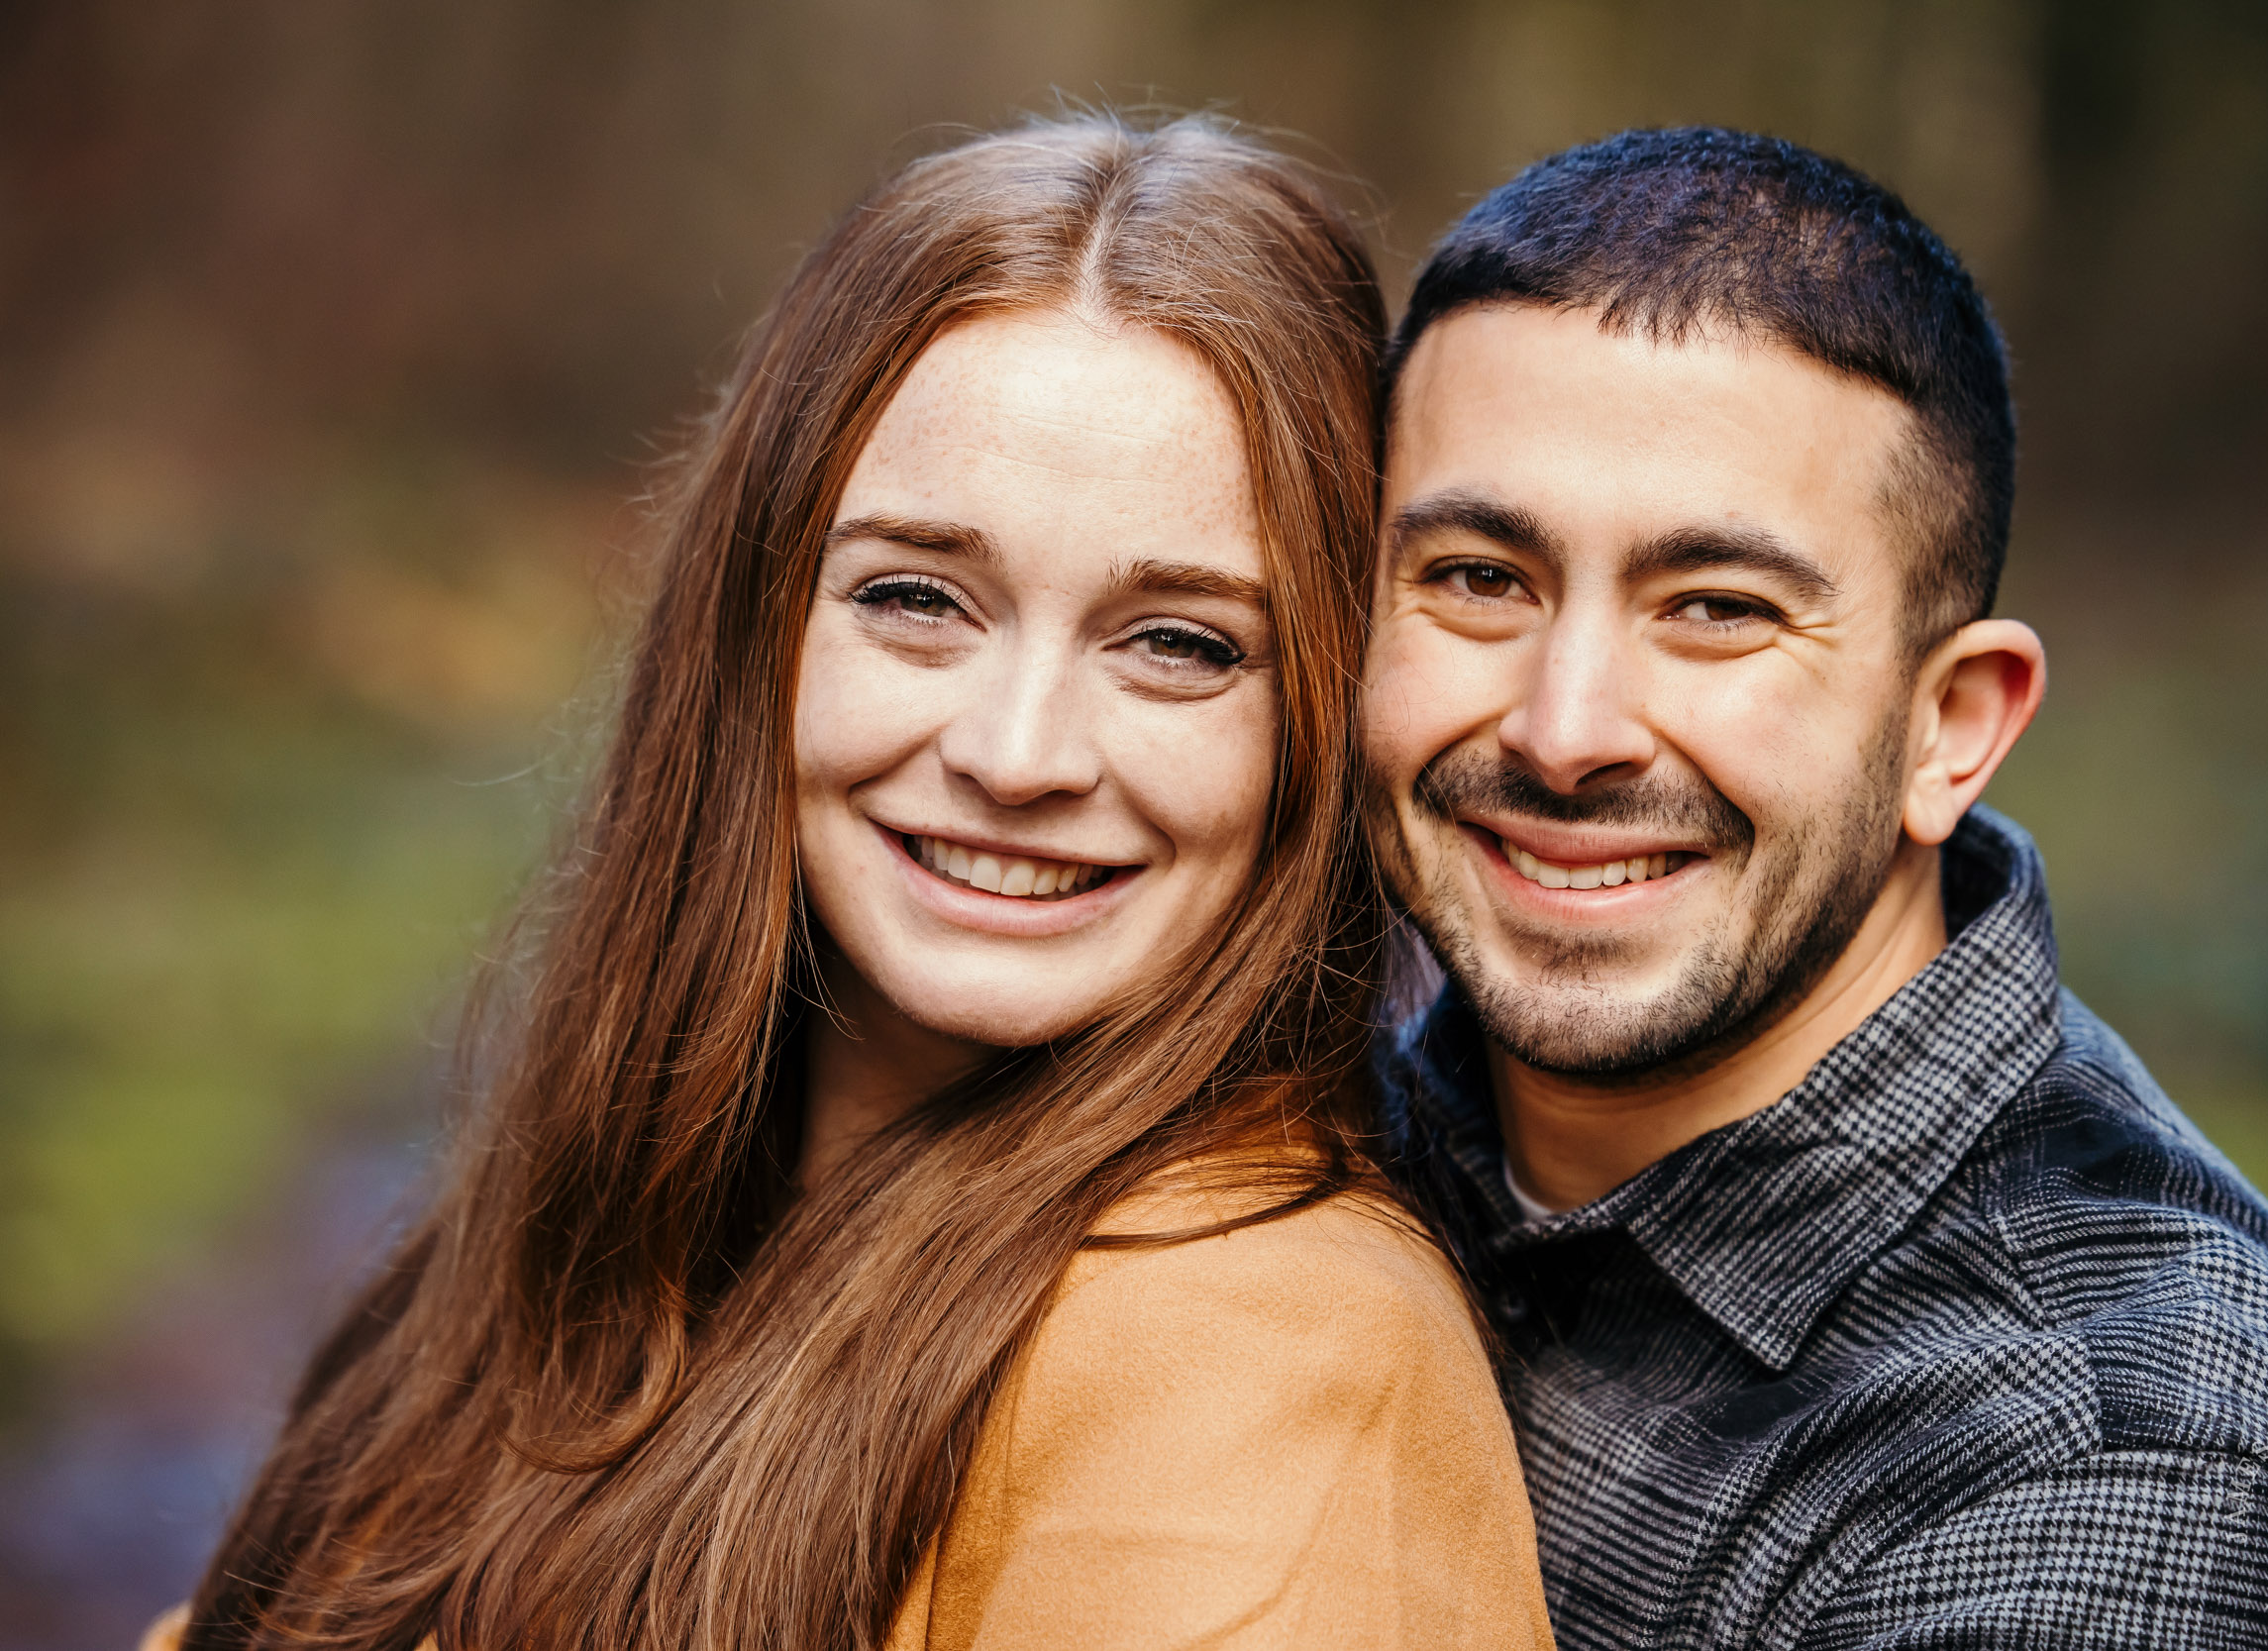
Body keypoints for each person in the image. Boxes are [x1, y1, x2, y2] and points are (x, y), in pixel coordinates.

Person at [149, 115, 1552, 1651]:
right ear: (754, 624)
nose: (1019, 755)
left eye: (1181, 643)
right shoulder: (607, 1237)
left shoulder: (1262, 1363)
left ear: (1317, 723)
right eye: (915, 598)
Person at [1363, 126, 2268, 1648]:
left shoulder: (2131, 1470)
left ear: (1949, 727)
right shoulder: (1330, 1120)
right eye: (1481, 578)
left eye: (1718, 610)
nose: (1566, 733)